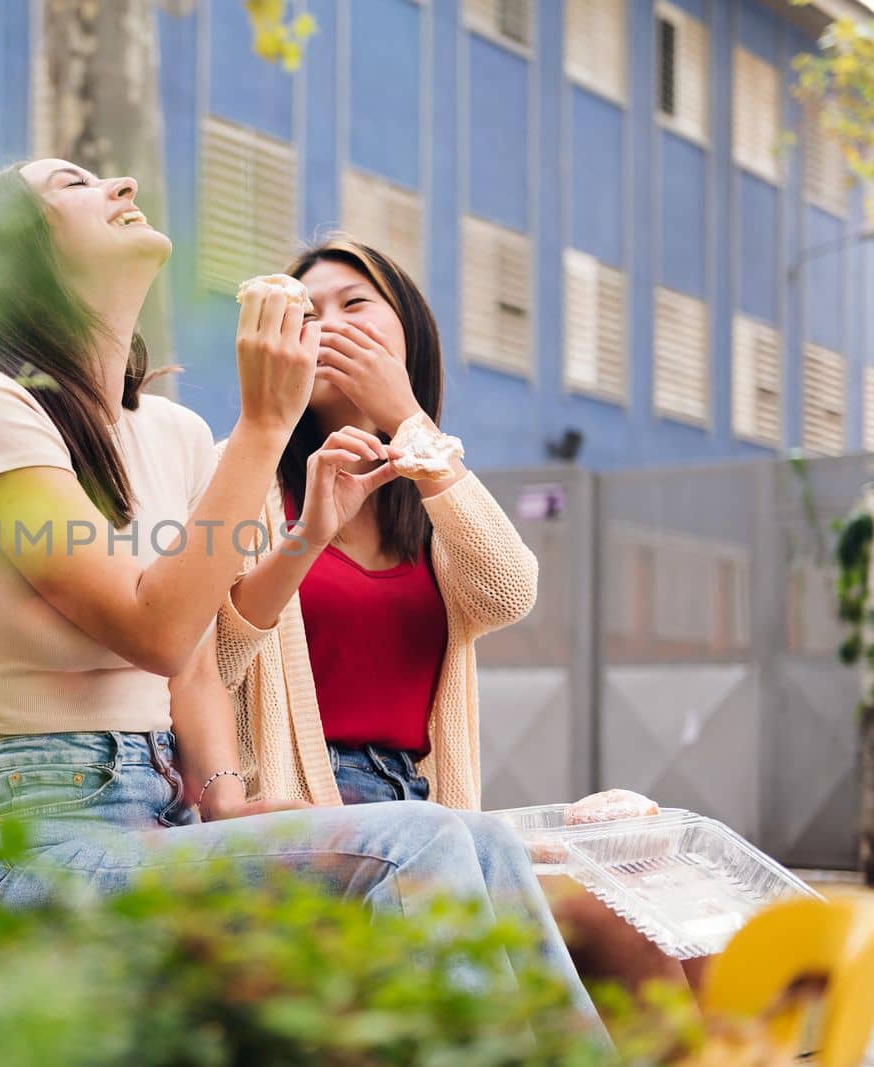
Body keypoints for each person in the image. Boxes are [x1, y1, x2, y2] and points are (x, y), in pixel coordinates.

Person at [0, 158, 602, 1024]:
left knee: (481, 834)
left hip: (164, 814)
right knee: (418, 843)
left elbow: (196, 668)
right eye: (74, 185)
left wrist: (226, 797)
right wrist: (265, 425)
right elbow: (155, 628)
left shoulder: (171, 431)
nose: (123, 184)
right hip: (35, 835)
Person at [197, 232, 688, 996]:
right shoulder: (242, 477)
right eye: (305, 311)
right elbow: (209, 658)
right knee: (598, 919)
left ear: (410, 337)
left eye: (354, 303)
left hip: (425, 806)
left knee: (648, 899)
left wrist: (408, 420)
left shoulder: (429, 504)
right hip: (303, 814)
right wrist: (305, 538)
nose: (327, 324)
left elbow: (507, 586)